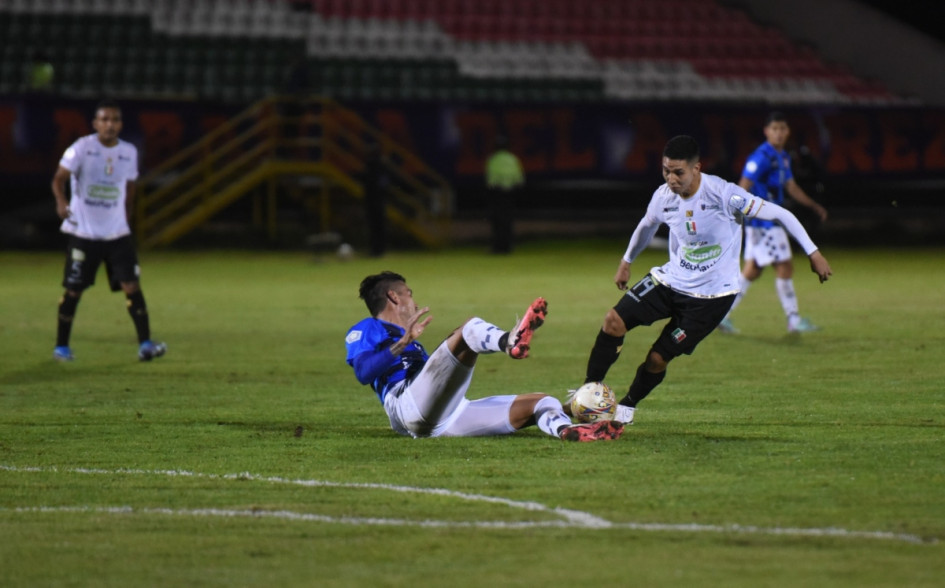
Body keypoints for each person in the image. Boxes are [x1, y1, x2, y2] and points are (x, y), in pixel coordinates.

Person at [580, 135, 831, 426]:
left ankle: (627, 407)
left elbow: (781, 214)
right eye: (665, 171)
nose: (671, 179)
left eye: (678, 172)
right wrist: (626, 262)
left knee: (657, 359)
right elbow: (646, 226)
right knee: (613, 320)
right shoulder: (663, 196)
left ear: (696, 168)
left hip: (711, 298)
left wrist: (813, 252)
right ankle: (588, 393)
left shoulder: (725, 195)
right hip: (671, 280)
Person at [345, 271, 623, 441]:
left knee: (543, 401)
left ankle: (568, 431)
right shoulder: (368, 328)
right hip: (405, 404)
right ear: (393, 297)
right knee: (469, 330)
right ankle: (511, 342)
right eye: (408, 294)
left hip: (445, 418)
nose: (413, 301)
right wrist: (399, 344)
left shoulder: (412, 342)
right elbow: (363, 373)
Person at [51, 100, 166, 362]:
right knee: (73, 290)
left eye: (114, 120)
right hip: (85, 233)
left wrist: (127, 214)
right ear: (95, 123)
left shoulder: (128, 152)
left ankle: (146, 344)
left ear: (120, 124)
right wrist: (61, 201)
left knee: (132, 285)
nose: (110, 124)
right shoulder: (82, 148)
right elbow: (59, 177)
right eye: (104, 120)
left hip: (117, 234)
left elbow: (131, 186)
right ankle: (61, 346)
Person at [718, 112, 829, 335]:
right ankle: (794, 320)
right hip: (763, 222)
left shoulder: (782, 157)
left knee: (752, 270)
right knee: (784, 266)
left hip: (767, 221)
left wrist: (812, 205)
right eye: (774, 128)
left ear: (787, 132)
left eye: (782, 129)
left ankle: (721, 315)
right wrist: (734, 217)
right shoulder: (761, 157)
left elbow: (791, 187)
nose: (778, 133)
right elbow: (742, 186)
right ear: (766, 131)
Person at [484, 135, 524, 254]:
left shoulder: (493, 159)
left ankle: (497, 247)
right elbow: (519, 178)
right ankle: (508, 246)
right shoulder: (513, 159)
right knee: (508, 220)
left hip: (497, 192)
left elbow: (490, 179)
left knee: (497, 221)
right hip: (510, 193)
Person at [362, 143, 390, 257]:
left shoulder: (372, 165)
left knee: (376, 226)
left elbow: (375, 184)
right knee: (378, 226)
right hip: (378, 200)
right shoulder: (379, 165)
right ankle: (378, 249)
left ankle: (377, 249)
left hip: (374, 200)